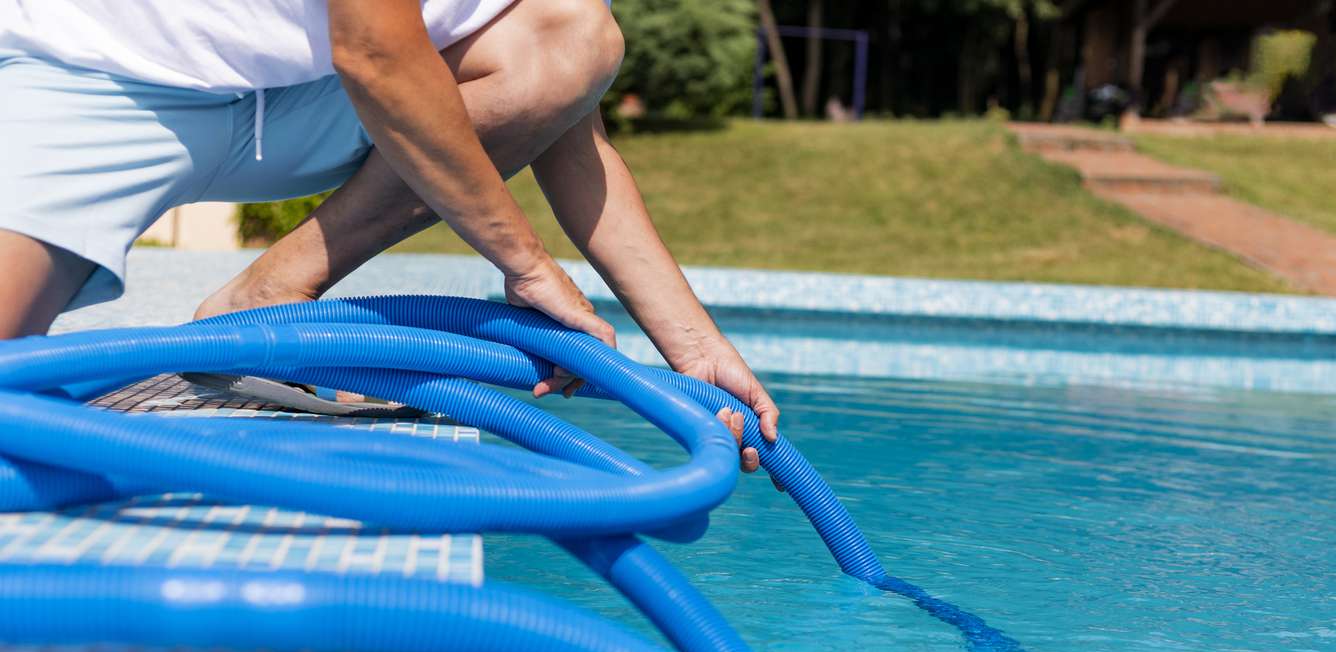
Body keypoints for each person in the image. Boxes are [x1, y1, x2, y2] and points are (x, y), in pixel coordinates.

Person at [0, 0, 778, 472]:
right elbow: (374, 50)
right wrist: (528, 265)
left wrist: (697, 353)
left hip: (310, 104)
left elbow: (569, 123)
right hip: (92, 85)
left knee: (571, 35)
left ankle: (268, 289)